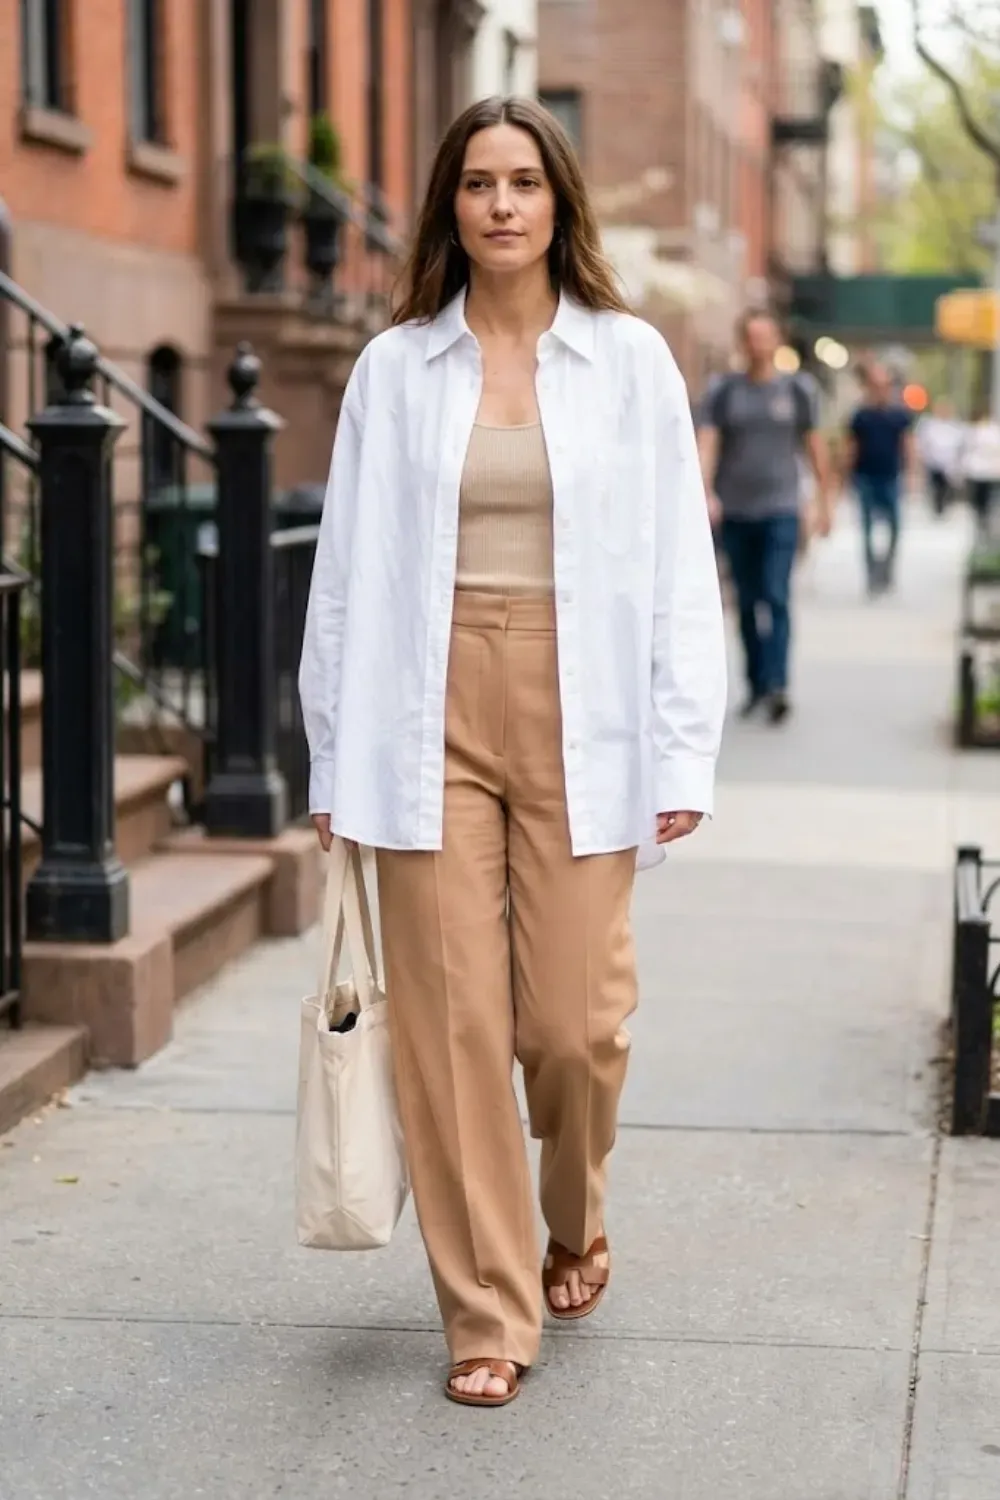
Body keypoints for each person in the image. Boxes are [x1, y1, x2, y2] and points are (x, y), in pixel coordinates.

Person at [299, 95, 727, 1410]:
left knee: (573, 1026)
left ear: (558, 204)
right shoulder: (393, 371)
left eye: (523, 182)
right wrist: (333, 758)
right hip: (421, 711)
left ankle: (574, 1213)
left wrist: (681, 753)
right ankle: (487, 1309)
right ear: (451, 204)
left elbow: (679, 565)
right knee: (452, 1026)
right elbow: (343, 575)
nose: (500, 204)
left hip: (581, 704)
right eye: (478, 182)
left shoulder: (630, 360)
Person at [696, 312, 833, 724]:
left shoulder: (797, 390)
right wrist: (704, 492)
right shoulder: (725, 391)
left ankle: (778, 684)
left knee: (776, 594)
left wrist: (825, 502)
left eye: (765, 336)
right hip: (736, 510)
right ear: (743, 342)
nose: (758, 344)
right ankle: (755, 682)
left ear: (777, 340)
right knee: (746, 599)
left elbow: (814, 447)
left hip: (781, 509)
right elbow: (708, 443)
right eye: (752, 337)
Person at [845, 364, 917, 593]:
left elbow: (908, 445)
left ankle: (887, 570)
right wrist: (844, 475)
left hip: (891, 477)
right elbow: (852, 447)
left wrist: (912, 474)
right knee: (867, 529)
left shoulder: (899, 415)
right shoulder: (860, 415)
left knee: (895, 527)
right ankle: (871, 574)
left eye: (884, 385)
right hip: (865, 477)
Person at [916, 397, 963, 516]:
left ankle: (943, 504)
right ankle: (937, 505)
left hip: (948, 463)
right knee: (936, 485)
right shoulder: (929, 425)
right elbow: (923, 442)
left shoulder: (954, 426)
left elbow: (959, 444)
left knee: (945, 486)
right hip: (934, 462)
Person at [958, 406, 1000, 535]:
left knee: (987, 497)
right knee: (978, 498)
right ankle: (981, 518)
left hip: (989, 472)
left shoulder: (993, 432)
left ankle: (985, 518)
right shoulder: (972, 432)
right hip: (976, 471)